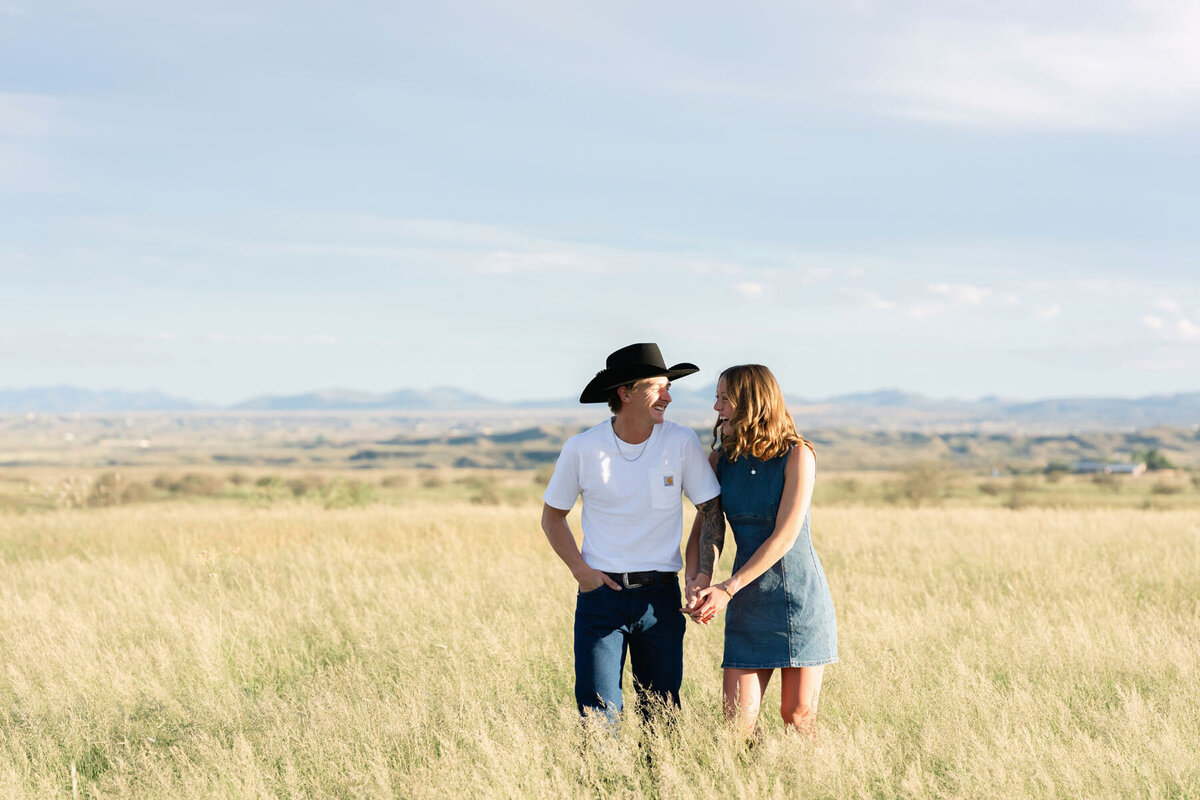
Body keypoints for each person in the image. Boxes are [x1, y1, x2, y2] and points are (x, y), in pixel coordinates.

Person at [541, 343, 723, 720]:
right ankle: (599, 781)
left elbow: (711, 511)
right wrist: (583, 574)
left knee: (662, 714)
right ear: (625, 393)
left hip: (661, 598)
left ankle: (660, 781)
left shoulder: (681, 442)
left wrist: (701, 575)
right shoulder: (581, 448)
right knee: (597, 715)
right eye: (657, 387)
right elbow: (552, 518)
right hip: (600, 598)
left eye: (668, 387)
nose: (668, 396)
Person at [684, 364, 837, 737]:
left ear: (752, 403)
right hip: (745, 602)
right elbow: (708, 527)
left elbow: (784, 537)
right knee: (735, 726)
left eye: (724, 399)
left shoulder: (798, 456)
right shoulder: (720, 461)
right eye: (716, 398)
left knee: (797, 718)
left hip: (796, 600)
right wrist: (697, 579)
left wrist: (727, 588)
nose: (717, 408)